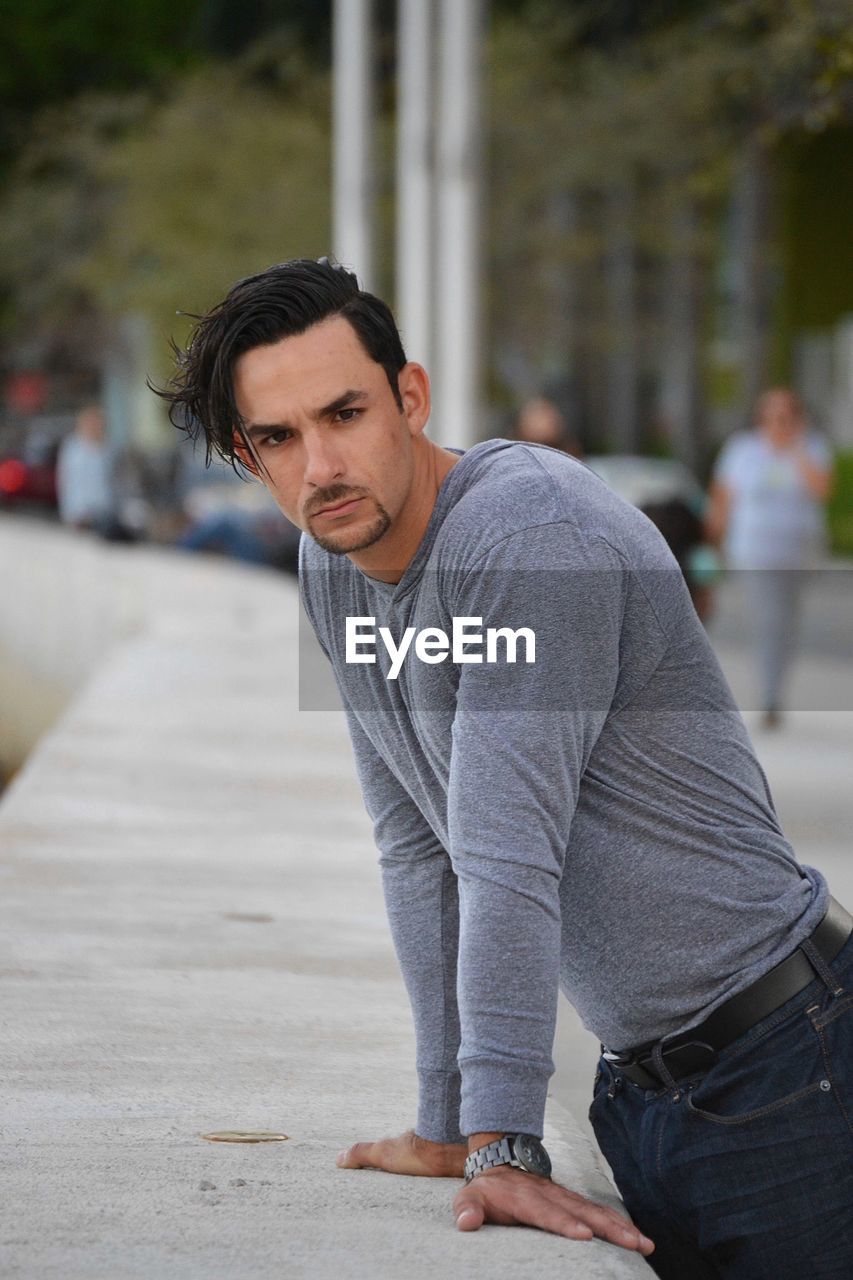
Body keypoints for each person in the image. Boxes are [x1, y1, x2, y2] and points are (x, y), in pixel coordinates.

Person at [155, 260, 852, 1278]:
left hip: (788, 1070)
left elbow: (503, 852)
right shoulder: (333, 567)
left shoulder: (525, 535)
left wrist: (505, 1139)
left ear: (411, 397)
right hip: (643, 1096)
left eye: (344, 412)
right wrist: (452, 1122)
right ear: (242, 455)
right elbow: (416, 848)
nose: (321, 465)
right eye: (278, 436)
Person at [705, 388, 833, 729]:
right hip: (753, 550)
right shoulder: (743, 449)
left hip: (796, 552)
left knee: (786, 623)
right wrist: (713, 542)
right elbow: (723, 498)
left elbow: (822, 490)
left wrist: (796, 447)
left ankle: (775, 686)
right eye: (773, 415)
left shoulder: (812, 448)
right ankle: (769, 696)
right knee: (767, 620)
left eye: (786, 415)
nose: (779, 422)